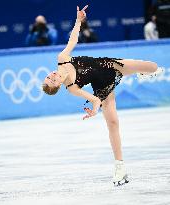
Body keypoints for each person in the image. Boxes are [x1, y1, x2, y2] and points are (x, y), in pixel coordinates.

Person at [42, 5, 163, 186]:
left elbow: (73, 40)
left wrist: (78, 20)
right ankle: (120, 167)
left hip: (108, 65)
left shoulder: (62, 58)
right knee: (113, 123)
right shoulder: (72, 87)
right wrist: (94, 110)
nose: (51, 76)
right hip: (103, 86)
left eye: (48, 76)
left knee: (153, 66)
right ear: (57, 85)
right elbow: (95, 99)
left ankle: (144, 73)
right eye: (51, 80)